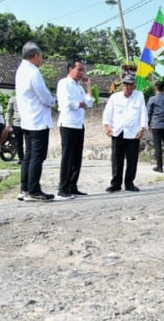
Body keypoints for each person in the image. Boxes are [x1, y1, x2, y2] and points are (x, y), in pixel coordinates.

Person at [15, 41, 55, 202]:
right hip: (38, 121)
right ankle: (34, 190)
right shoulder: (33, 72)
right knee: (37, 157)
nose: (42, 60)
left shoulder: (20, 70)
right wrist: (53, 100)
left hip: (27, 120)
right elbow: (44, 96)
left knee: (29, 156)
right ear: (36, 56)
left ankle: (24, 188)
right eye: (41, 57)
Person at [102, 74, 148, 193]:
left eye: (129, 84)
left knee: (132, 159)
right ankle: (116, 183)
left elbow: (143, 112)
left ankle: (129, 183)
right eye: (125, 84)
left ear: (134, 86)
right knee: (117, 159)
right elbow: (107, 112)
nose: (126, 86)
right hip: (118, 131)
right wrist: (106, 125)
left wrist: (142, 128)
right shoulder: (115, 97)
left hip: (133, 132)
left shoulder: (139, 96)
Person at [56, 59, 94, 199]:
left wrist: (88, 86)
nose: (81, 72)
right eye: (79, 69)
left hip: (79, 124)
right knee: (68, 157)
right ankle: (63, 188)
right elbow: (67, 103)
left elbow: (89, 104)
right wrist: (80, 103)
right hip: (68, 124)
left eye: (82, 70)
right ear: (70, 69)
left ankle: (73, 185)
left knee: (77, 158)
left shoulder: (79, 87)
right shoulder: (63, 83)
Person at [146, 80, 164, 173]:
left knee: (158, 146)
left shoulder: (152, 99)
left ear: (156, 88)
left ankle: (159, 167)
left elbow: (148, 113)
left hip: (156, 125)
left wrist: (148, 124)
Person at [6, 95, 24, 164]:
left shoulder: (28, 97)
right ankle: (21, 158)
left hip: (28, 123)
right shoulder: (13, 99)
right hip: (17, 123)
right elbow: (9, 112)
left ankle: (29, 158)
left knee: (30, 142)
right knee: (19, 142)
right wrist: (7, 122)